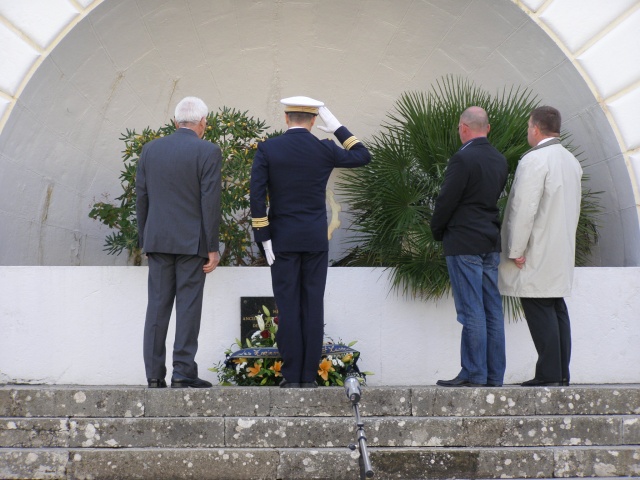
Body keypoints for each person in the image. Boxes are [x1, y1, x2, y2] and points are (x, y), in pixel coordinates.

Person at [250, 96, 371, 388]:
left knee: (288, 306)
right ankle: (309, 376)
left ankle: (292, 376)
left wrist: (263, 237)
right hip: (315, 239)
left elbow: (257, 196)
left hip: (281, 240)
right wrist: (338, 128)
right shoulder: (325, 148)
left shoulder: (269, 148)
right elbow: (362, 155)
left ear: (286, 118)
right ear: (315, 121)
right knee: (313, 305)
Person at [136, 96, 222, 389]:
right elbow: (209, 201)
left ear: (176, 122)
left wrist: (144, 240)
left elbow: (142, 197)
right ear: (201, 123)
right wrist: (213, 247)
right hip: (192, 243)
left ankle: (153, 375)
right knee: (188, 307)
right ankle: (183, 373)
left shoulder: (150, 149)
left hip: (158, 240)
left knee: (157, 307)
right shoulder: (208, 150)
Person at [499, 106, 582, 387]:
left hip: (537, 248)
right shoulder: (571, 160)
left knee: (538, 305)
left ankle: (548, 374)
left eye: (527, 127)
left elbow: (524, 209)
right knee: (556, 306)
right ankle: (561, 373)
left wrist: (516, 249)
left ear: (535, 128)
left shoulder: (534, 160)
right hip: (560, 248)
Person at [430, 106, 508, 388]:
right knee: (492, 309)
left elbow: (447, 200)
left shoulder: (463, 159)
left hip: (463, 241)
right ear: (487, 128)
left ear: (464, 128)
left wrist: (437, 230)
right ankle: (493, 375)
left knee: (471, 310)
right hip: (489, 239)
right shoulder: (499, 159)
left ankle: (473, 373)